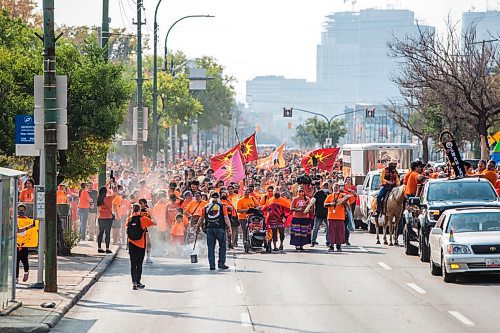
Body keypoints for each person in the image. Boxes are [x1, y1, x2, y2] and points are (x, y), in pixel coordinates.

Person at [195, 192, 232, 270]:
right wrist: (229, 228)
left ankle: (212, 265)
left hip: (210, 228)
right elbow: (226, 218)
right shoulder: (222, 206)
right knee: (222, 246)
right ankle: (221, 263)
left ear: (210, 198)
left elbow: (201, 218)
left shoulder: (206, 207)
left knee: (211, 247)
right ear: (218, 198)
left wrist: (197, 227)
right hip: (220, 228)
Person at [126, 203, 156, 290]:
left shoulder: (129, 219)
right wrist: (150, 213)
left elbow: (127, 228)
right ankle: (138, 282)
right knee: (139, 264)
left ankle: (134, 282)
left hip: (131, 243)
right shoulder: (143, 219)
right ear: (139, 210)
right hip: (140, 244)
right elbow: (155, 223)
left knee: (133, 263)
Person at [324, 183, 351, 252]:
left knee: (340, 232)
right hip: (331, 216)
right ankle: (331, 246)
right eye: (334, 187)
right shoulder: (330, 196)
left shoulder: (343, 196)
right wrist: (330, 204)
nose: (335, 189)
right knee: (331, 232)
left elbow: (348, 206)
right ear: (332, 188)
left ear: (339, 188)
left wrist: (343, 202)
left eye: (337, 187)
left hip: (340, 217)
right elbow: (324, 204)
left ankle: (338, 246)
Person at [16, 204, 36, 283]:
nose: (21, 211)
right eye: (19, 210)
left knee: (24, 259)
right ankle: (16, 277)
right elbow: (17, 230)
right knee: (16, 261)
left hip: (25, 243)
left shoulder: (27, 220)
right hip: (16, 243)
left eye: (22, 210)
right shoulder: (15, 220)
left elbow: (32, 231)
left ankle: (26, 272)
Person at [290, 186, 312, 251]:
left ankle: (301, 245)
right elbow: (291, 208)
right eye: (300, 191)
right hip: (296, 217)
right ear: (297, 192)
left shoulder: (307, 199)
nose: (301, 192)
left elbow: (310, 207)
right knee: (297, 232)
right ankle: (297, 245)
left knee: (303, 232)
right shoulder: (295, 199)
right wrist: (297, 209)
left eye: (302, 191)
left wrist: (308, 209)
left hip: (305, 217)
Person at [97, 185, 116, 254]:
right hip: (108, 217)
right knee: (107, 233)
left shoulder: (99, 199)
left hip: (101, 217)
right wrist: (111, 190)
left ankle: (99, 248)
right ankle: (107, 248)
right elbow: (115, 193)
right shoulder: (109, 198)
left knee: (101, 232)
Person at [311, 181, 330, 247]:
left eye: (327, 186)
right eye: (325, 185)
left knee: (329, 228)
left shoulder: (329, 194)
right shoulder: (318, 193)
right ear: (322, 186)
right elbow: (312, 200)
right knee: (315, 228)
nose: (326, 187)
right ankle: (313, 241)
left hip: (327, 214)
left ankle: (328, 241)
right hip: (318, 213)